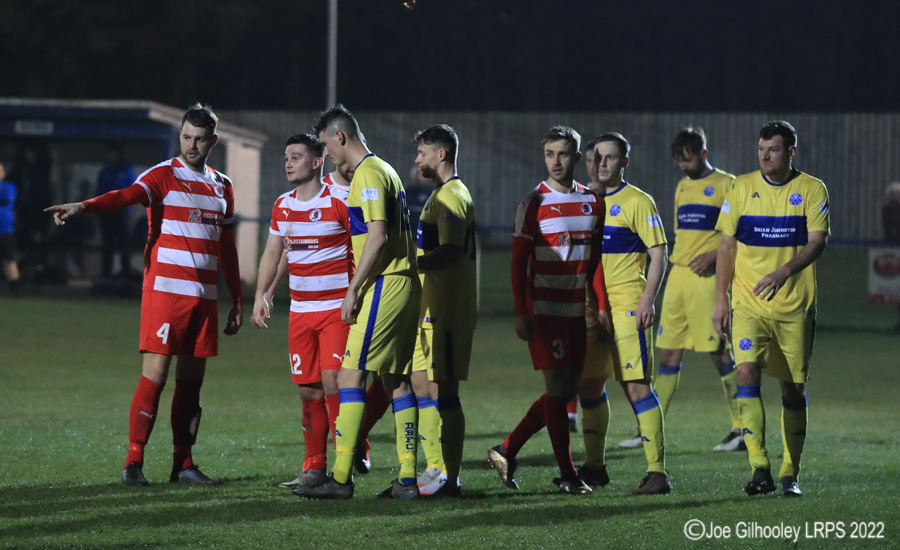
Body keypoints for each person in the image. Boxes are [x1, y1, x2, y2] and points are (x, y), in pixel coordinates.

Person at [44, 104, 243, 486]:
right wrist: (82, 206)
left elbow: (227, 248)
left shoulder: (223, 187)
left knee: (191, 383)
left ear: (213, 141)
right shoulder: (162, 175)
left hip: (203, 298)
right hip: (166, 293)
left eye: (200, 139)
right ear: (179, 136)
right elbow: (124, 196)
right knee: (155, 376)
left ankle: (183, 465)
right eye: (186, 137)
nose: (191, 145)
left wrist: (236, 298)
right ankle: (133, 463)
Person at [293, 105, 421, 500]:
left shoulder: (366, 174)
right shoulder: (386, 170)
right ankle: (406, 479)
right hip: (404, 283)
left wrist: (353, 289)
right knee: (395, 381)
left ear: (341, 138)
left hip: (386, 283)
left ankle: (342, 478)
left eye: (328, 145)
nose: (327, 153)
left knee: (349, 377)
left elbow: (378, 236)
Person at [487, 126, 609, 495]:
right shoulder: (533, 202)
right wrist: (521, 312)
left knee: (567, 390)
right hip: (544, 311)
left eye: (563, 154)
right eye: (549, 154)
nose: (556, 161)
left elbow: (595, 260)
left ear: (576, 158)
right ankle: (569, 475)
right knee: (558, 390)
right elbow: (517, 263)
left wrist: (600, 305)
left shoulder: (592, 201)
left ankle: (506, 450)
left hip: (576, 311)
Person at [713, 120, 830, 497]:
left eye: (773, 150)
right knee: (745, 373)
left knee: (793, 389)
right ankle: (759, 466)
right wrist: (720, 301)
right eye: (761, 150)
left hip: (795, 308)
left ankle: (789, 472)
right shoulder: (741, 187)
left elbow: (817, 243)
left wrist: (783, 272)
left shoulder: (811, 189)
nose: (765, 157)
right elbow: (727, 248)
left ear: (791, 152)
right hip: (748, 305)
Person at [251, 134, 352, 490]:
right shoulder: (283, 206)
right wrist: (262, 294)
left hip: (336, 311)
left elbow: (363, 247)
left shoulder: (340, 201)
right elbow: (273, 254)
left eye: (296, 157)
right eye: (286, 157)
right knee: (308, 390)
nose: (288, 163)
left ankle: (344, 466)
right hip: (300, 312)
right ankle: (314, 467)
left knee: (333, 382)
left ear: (316, 162)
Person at [577, 133, 672, 495]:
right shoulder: (584, 202)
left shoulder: (638, 201)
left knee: (635, 386)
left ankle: (658, 473)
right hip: (593, 309)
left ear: (623, 162)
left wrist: (648, 300)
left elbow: (659, 253)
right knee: (588, 385)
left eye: (610, 158)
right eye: (597, 157)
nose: (601, 164)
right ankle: (595, 467)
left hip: (628, 307)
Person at [653, 127, 743, 451]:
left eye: (688, 160)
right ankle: (651, 427)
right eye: (679, 161)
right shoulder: (681, 186)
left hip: (708, 280)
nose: (684, 167)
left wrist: (715, 255)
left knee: (719, 352)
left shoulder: (727, 184)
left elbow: (739, 233)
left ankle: (741, 429)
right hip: (678, 277)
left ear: (703, 154)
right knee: (668, 352)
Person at [409, 124, 476, 497]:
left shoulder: (452, 196)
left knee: (445, 393)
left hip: (447, 312)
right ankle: (436, 469)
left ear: (441, 154)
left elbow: (450, 251)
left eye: (422, 153)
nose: (417, 159)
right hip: (430, 310)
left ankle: (451, 478)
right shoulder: (440, 195)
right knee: (422, 384)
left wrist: (411, 264)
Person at [95, 143, 138, 281]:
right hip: (107, 213)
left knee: (123, 246)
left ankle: (125, 276)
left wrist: (130, 213)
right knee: (107, 246)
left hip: (121, 214)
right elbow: (99, 193)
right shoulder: (105, 172)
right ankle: (106, 276)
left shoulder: (128, 172)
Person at [0, 162, 21, 295]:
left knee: (10, 259)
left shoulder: (9, 187)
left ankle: (14, 287)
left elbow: (6, 199)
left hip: (6, 230)